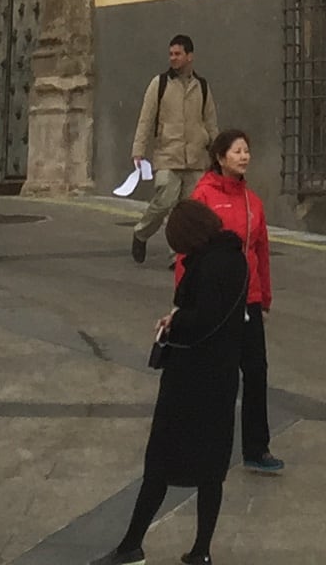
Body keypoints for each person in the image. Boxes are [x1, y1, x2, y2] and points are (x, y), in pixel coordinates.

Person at [100, 198, 246, 565]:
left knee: (160, 463)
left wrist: (174, 321)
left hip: (191, 377)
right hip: (223, 375)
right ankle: (201, 550)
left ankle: (131, 546)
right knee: (212, 469)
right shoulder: (234, 258)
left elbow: (202, 319)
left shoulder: (209, 265)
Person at [189, 127, 282, 474]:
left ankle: (257, 448)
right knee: (217, 375)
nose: (244, 156)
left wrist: (265, 294)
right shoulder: (204, 197)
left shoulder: (253, 202)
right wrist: (187, 298)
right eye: (237, 151)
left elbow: (262, 250)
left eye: (247, 150)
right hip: (216, 301)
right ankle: (206, 445)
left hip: (250, 299)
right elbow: (189, 251)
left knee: (256, 371)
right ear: (220, 157)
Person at [127, 33, 216, 265]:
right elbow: (145, 119)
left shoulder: (202, 87)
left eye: (178, 54)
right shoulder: (160, 84)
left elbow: (210, 122)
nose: (173, 58)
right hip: (168, 154)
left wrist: (218, 152)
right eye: (171, 54)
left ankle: (178, 255)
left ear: (190, 56)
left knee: (187, 212)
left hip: (195, 158)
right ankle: (141, 232)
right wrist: (139, 149)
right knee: (165, 201)